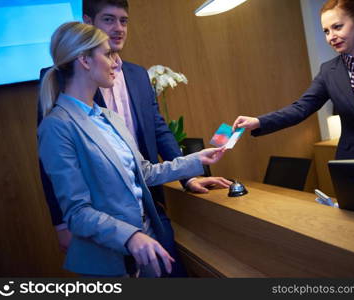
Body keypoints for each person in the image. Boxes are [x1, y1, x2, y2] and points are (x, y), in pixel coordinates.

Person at [38, 0, 232, 276]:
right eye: (106, 54)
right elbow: (77, 211)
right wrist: (130, 237)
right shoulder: (57, 125)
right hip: (113, 246)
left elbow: (144, 172)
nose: (114, 62)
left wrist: (195, 161)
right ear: (84, 60)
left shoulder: (109, 117)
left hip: (149, 225)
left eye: (123, 21)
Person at [233, 0, 354, 160]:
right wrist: (258, 121)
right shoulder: (328, 71)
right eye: (326, 31)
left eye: (337, 27)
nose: (330, 37)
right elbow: (300, 108)